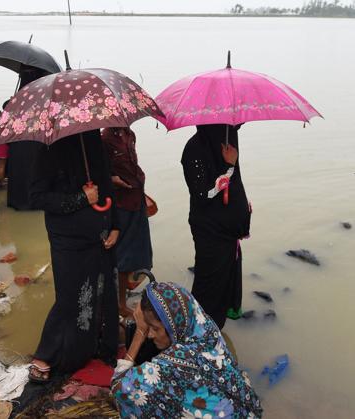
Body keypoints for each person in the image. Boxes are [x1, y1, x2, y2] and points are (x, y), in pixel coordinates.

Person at [27, 130, 119, 381]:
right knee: (70, 297)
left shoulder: (92, 140)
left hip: (100, 234)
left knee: (102, 291)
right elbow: (36, 197)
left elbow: (107, 185)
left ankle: (98, 347)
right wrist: (81, 198)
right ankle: (45, 355)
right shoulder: (48, 149)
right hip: (67, 239)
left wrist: (116, 226)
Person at [112, 282, 263, 418]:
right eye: (148, 327)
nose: (150, 334)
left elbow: (119, 386)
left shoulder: (172, 366)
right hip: (249, 410)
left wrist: (140, 333)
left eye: (154, 328)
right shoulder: (205, 328)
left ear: (173, 327)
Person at [181, 124, 251, 329]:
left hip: (227, 230)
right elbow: (202, 195)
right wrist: (228, 166)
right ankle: (197, 331)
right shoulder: (194, 150)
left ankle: (214, 329)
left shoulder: (226, 143)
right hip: (209, 229)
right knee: (208, 282)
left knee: (222, 283)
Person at [101, 127, 153, 318]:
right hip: (121, 205)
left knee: (141, 253)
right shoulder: (105, 138)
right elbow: (100, 174)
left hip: (136, 199)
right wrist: (112, 180)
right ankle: (120, 304)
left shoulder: (130, 134)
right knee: (124, 257)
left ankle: (125, 291)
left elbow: (132, 165)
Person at [7, 65, 51, 210]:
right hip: (36, 142)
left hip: (18, 142)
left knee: (20, 167)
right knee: (36, 167)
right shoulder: (42, 95)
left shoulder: (17, 98)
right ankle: (35, 200)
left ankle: (19, 201)